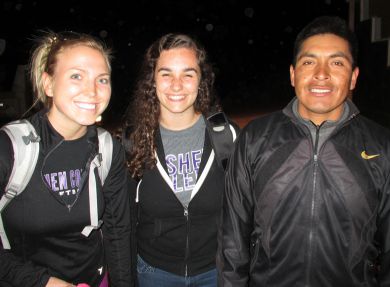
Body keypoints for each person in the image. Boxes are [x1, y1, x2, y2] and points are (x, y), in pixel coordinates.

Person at [218, 15, 390, 286]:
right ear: (293, 74)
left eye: (337, 62)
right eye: (309, 61)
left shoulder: (384, 147)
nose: (321, 74)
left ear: (353, 77)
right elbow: (233, 240)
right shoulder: (255, 139)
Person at [0, 31, 133, 287]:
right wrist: (46, 283)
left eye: (102, 79)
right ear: (48, 84)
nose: (92, 90)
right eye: (76, 76)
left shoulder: (107, 148)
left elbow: (118, 234)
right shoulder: (11, 148)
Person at [123, 33, 239, 287]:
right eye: (166, 74)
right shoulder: (134, 141)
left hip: (215, 270)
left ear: (201, 80)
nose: (177, 85)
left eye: (188, 74)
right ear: (152, 81)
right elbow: (123, 220)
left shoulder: (227, 136)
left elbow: (244, 211)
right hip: (154, 272)